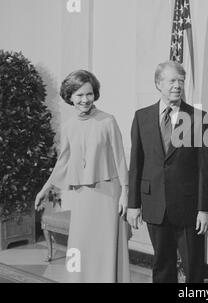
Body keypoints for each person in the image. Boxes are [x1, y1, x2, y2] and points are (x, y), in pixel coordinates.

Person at [34, 70, 130, 283]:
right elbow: (63, 162)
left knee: (104, 248)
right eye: (79, 95)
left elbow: (121, 160)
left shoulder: (108, 121)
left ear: (95, 94)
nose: (85, 99)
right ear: (69, 97)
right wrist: (45, 189)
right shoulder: (68, 127)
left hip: (107, 195)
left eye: (89, 94)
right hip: (81, 196)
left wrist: (126, 193)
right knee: (80, 246)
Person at [127, 61, 208, 283]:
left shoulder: (199, 118)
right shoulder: (141, 117)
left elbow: (206, 168)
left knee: (193, 267)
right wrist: (133, 204)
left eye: (181, 81)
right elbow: (136, 164)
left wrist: (204, 209)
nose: (177, 85)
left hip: (188, 208)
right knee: (162, 265)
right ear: (158, 83)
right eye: (172, 80)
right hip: (154, 204)